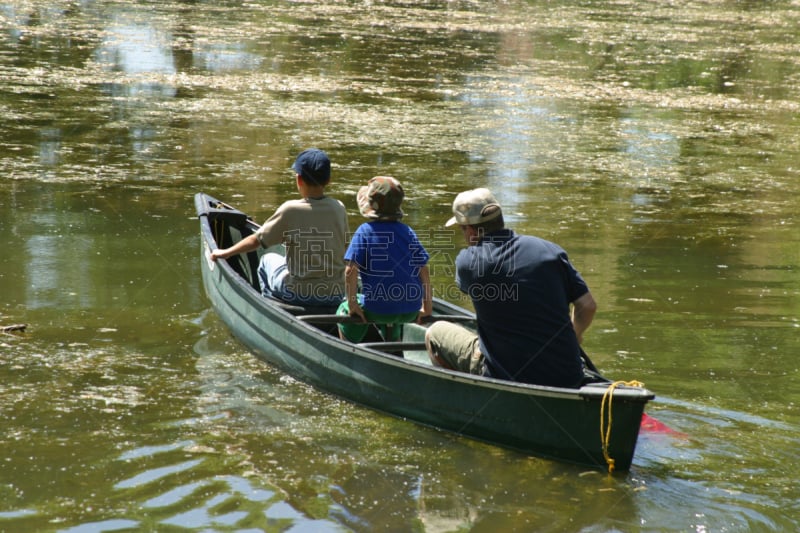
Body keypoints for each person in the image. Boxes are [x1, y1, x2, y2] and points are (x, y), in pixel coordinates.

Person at [425, 188, 597, 388]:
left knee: (434, 332)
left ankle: (462, 397)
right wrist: (574, 336)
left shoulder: (468, 262)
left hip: (506, 374)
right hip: (567, 374)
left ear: (471, 231)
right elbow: (588, 306)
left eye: (462, 230)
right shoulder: (549, 250)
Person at [209, 148, 347, 307]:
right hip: (336, 294)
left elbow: (256, 240)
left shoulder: (290, 209)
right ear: (328, 180)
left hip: (299, 294)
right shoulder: (339, 208)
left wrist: (225, 252)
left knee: (267, 259)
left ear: (299, 179)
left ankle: (273, 308)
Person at [337, 176, 433, 344]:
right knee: (393, 309)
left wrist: (353, 305)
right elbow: (423, 270)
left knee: (344, 309)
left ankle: (349, 347)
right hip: (412, 309)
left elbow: (350, 271)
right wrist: (427, 306)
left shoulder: (364, 231)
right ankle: (394, 346)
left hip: (378, 310)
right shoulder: (408, 232)